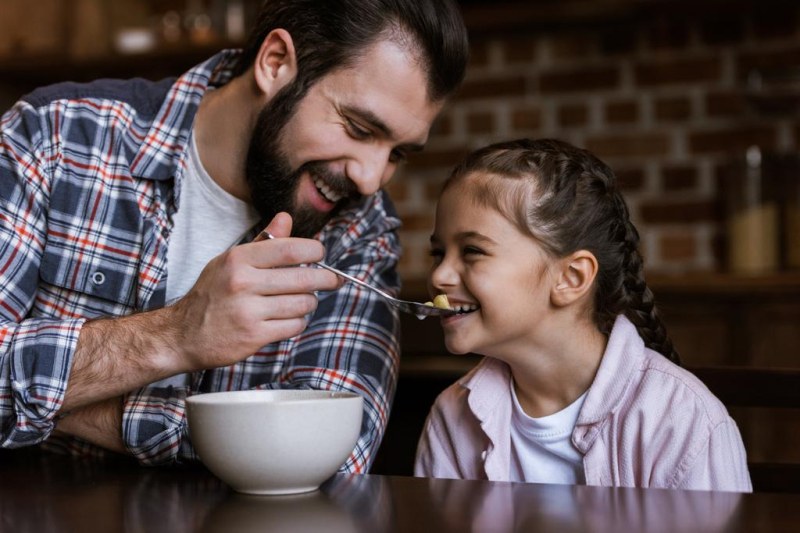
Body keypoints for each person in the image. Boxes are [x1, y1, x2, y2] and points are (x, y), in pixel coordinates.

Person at [0, 0, 469, 471]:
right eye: (358, 128)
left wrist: (64, 407)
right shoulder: (56, 137)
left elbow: (330, 453)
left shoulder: (360, 226)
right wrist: (176, 334)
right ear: (276, 63)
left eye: (397, 154)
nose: (371, 179)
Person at [414, 138, 752, 492]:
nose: (439, 276)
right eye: (438, 253)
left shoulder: (681, 420)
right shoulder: (452, 416)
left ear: (570, 278)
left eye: (472, 251)